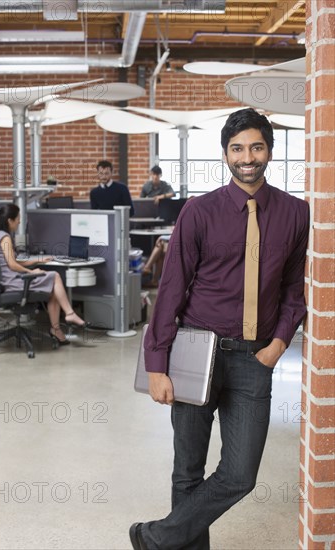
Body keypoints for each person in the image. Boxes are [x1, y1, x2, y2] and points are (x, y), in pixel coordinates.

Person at [129, 108, 310, 549]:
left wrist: (279, 343)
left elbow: (294, 288)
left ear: (269, 150)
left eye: (256, 146)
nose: (247, 157)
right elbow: (170, 289)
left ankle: (153, 538)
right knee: (187, 469)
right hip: (195, 351)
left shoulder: (295, 213)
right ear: (225, 154)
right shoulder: (199, 211)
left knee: (240, 473)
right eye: (237, 148)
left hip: (254, 358)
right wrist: (157, 363)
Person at [0, 204, 90, 346]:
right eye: (18, 218)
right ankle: (69, 314)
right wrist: (32, 272)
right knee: (55, 276)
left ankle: (56, 329)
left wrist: (37, 260)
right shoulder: (5, 237)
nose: (19, 221)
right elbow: (12, 265)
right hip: (14, 282)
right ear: (10, 221)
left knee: (53, 290)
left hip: (9, 280)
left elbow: (12, 261)